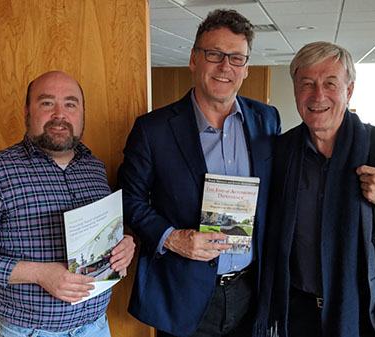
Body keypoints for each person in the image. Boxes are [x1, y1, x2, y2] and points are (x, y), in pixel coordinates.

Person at [254, 42, 375, 337]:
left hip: (365, 312)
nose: (318, 95)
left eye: (330, 83)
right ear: (296, 90)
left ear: (348, 90)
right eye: (307, 84)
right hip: (296, 310)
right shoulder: (282, 151)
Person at [118, 9, 281, 337]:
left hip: (251, 293)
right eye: (214, 54)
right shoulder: (154, 129)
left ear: (246, 68)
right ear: (194, 59)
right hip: (183, 294)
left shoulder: (267, 119)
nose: (225, 67)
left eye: (236, 58)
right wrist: (173, 238)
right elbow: (128, 198)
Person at [0, 71, 135, 337]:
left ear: (82, 112)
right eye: (46, 102)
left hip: (96, 326)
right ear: (28, 112)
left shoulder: (94, 168)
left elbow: (100, 238)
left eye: (70, 104)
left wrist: (122, 247)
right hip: (29, 332)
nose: (59, 114)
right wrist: (39, 273)